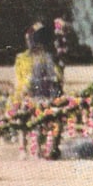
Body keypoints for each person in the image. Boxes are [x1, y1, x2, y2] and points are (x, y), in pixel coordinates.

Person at [12, 23, 63, 157]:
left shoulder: (45, 57)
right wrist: (22, 93)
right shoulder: (21, 58)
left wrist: (48, 82)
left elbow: (54, 76)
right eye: (28, 39)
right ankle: (22, 147)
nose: (30, 42)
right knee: (21, 112)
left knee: (45, 113)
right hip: (26, 95)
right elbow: (18, 80)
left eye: (32, 39)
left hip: (42, 95)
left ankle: (44, 147)